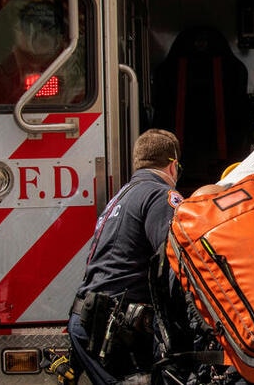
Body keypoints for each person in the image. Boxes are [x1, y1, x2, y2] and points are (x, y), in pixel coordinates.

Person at [68, 129, 184, 385]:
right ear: (173, 166)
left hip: (89, 320)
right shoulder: (159, 195)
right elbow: (174, 260)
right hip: (116, 329)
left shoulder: (121, 197)